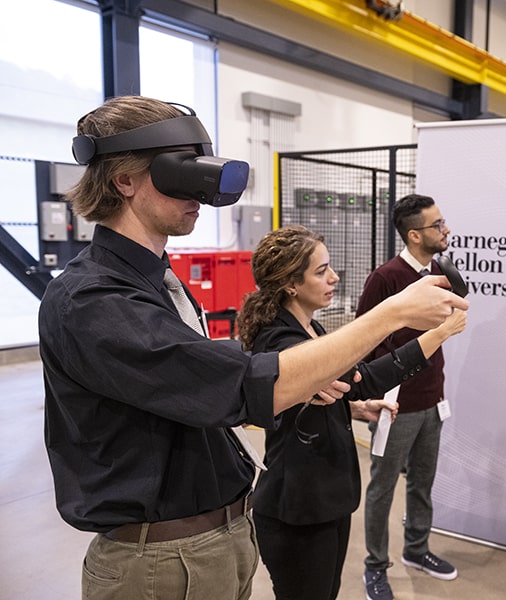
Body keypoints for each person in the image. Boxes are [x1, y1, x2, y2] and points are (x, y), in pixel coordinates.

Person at [38, 96, 467, 600]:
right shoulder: (93, 299)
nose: (200, 191)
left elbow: (202, 382)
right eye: (181, 172)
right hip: (160, 561)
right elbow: (236, 388)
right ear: (123, 180)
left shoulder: (159, 283)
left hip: (212, 542)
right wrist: (391, 314)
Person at [236, 225, 466, 600]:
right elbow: (365, 376)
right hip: (298, 509)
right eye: (321, 270)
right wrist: (437, 334)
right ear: (291, 284)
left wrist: (355, 407)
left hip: (328, 500)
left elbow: (348, 385)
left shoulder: (311, 328)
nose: (334, 277)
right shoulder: (282, 342)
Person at [357, 193, 460, 600]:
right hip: (394, 406)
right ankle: (375, 567)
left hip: (433, 400)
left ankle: (417, 550)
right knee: (382, 488)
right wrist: (375, 396)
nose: (446, 229)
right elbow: (364, 339)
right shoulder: (385, 278)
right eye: (437, 225)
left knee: (423, 482)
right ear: (415, 234)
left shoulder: (441, 271)